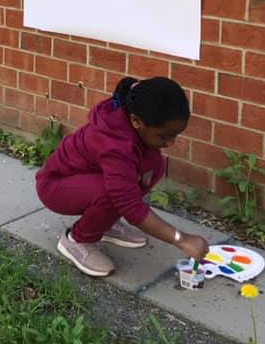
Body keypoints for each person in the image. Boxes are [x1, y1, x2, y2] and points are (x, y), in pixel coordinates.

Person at [36, 76, 209, 277]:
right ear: (136, 121)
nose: (171, 143)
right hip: (56, 186)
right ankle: (77, 240)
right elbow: (129, 203)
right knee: (114, 194)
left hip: (87, 177)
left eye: (175, 135)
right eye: (165, 136)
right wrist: (181, 239)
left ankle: (103, 222)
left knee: (153, 167)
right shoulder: (115, 145)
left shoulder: (132, 116)